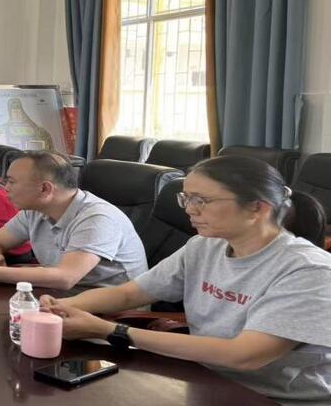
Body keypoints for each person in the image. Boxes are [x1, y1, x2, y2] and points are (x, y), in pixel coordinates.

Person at [39, 156, 331, 405]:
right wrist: (62, 307)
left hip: (272, 398)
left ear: (258, 208)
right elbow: (130, 294)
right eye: (186, 198)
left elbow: (244, 355)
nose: (190, 209)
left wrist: (111, 330)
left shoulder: (309, 271)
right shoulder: (204, 246)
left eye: (201, 200)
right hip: (204, 380)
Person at [0, 151, 147, 291]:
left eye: (11, 182)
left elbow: (65, 278)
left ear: (45, 189)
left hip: (110, 312)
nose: (5, 188)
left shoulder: (97, 218)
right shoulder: (34, 210)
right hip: (60, 296)